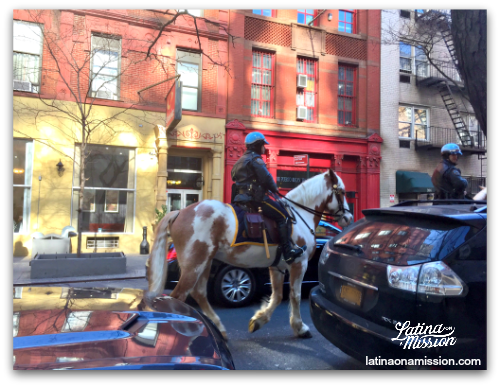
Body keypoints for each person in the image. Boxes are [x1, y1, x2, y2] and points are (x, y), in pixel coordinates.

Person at [231, 132, 305, 264]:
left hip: (240, 199)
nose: (264, 148)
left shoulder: (239, 161)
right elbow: (266, 177)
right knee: (284, 217)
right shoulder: (256, 160)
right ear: (257, 145)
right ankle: (288, 253)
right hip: (255, 199)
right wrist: (275, 189)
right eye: (263, 145)